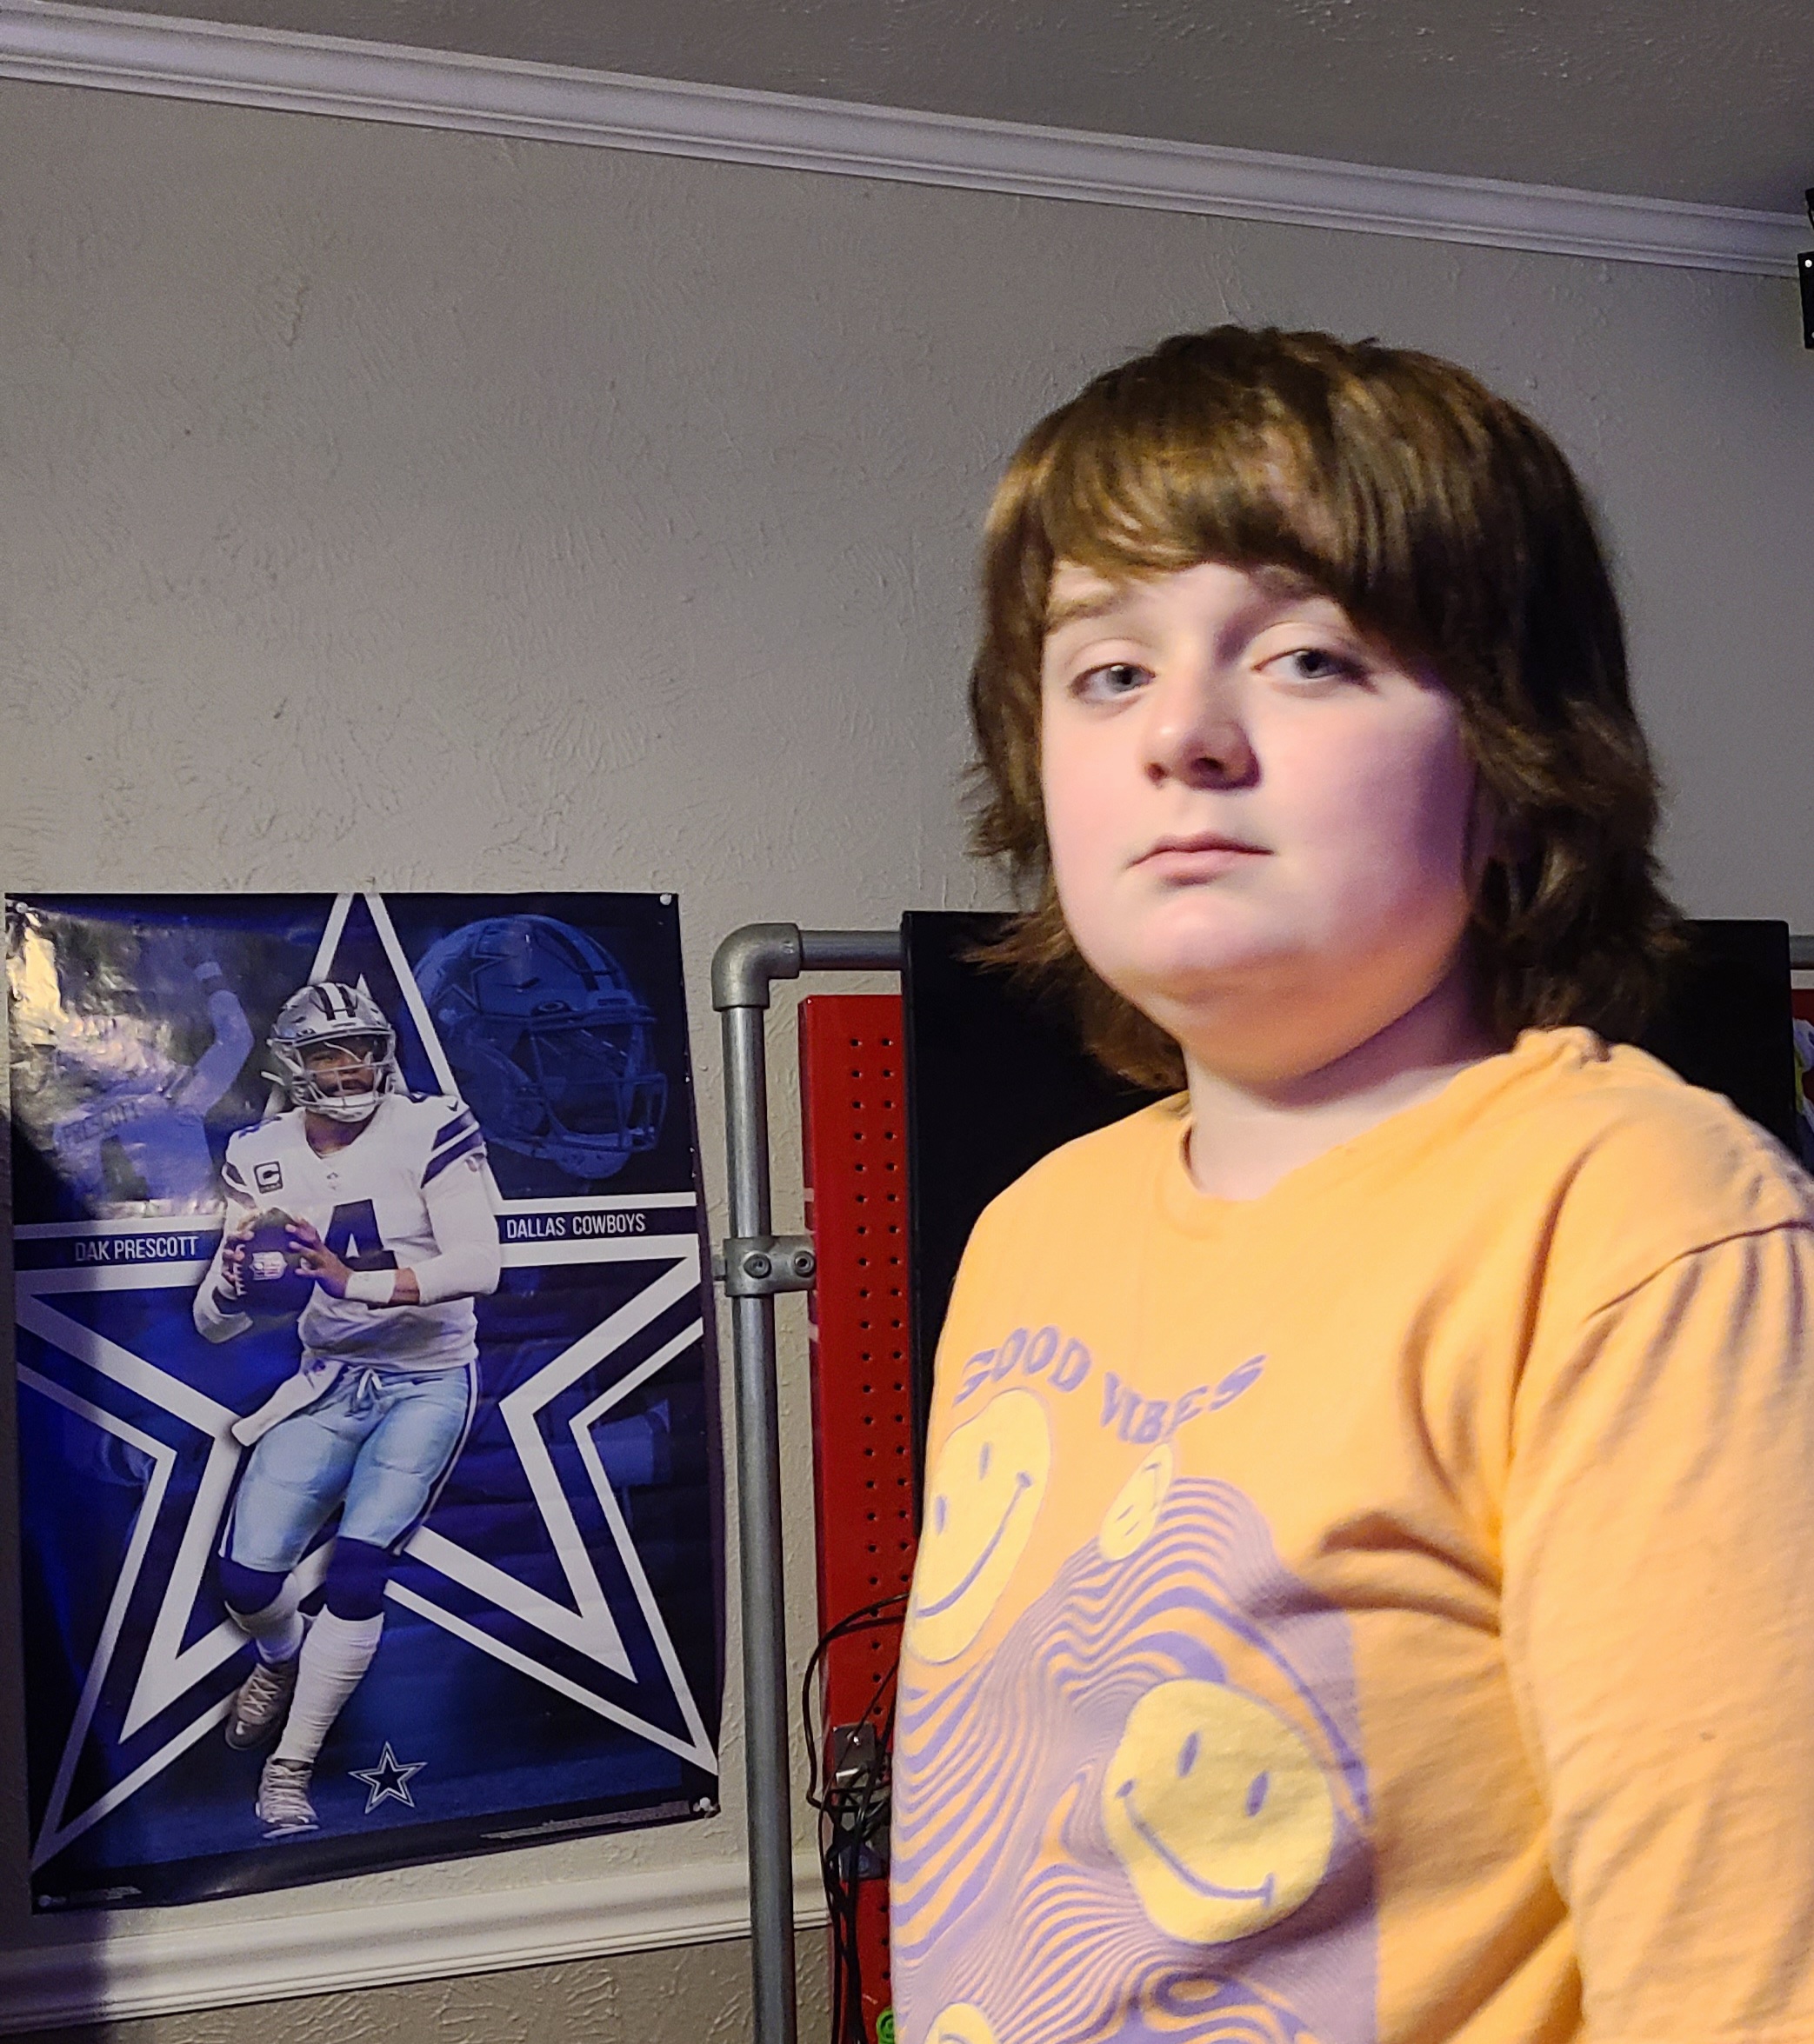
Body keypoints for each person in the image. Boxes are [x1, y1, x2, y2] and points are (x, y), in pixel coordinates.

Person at [890, 329, 1814, 2044]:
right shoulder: (1034, 1228)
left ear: (1514, 763)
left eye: (1308, 656)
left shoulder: (1632, 1215)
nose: (1182, 732)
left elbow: (1737, 1992)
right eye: (1104, 669)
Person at [193, 981, 502, 1839]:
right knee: (247, 1580)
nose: (352, 1067)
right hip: (328, 1377)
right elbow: (213, 1322)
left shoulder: (429, 1123)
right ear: (294, 1065)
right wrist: (232, 1285)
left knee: (359, 1573)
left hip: (426, 1381)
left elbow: (479, 1264)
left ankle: (289, 1767)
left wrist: (347, 1280)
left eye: (363, 1049)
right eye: (331, 1053)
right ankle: (280, 1657)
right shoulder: (260, 1153)